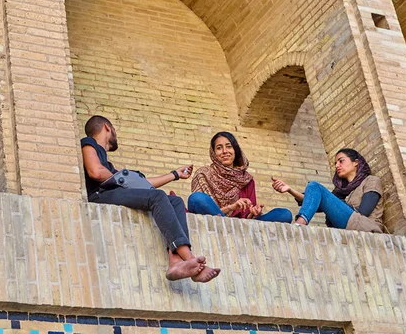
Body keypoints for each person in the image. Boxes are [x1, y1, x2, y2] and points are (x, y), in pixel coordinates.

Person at [81, 115, 220, 283]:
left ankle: (175, 262)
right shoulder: (89, 143)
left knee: (175, 201)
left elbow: (142, 185)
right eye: (114, 130)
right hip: (99, 196)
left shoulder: (108, 166)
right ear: (107, 128)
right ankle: (190, 259)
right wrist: (121, 180)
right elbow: (95, 172)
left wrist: (175, 175)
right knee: (158, 197)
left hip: (111, 193)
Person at [188, 132, 292, 223]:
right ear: (213, 153)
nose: (224, 151)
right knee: (196, 198)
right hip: (214, 220)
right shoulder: (204, 174)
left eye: (229, 146)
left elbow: (247, 219)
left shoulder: (246, 180)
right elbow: (200, 208)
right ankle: (226, 226)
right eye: (219, 148)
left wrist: (253, 212)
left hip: (241, 226)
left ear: (235, 150)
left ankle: (230, 229)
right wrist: (231, 207)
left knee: (284, 214)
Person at [271, 148, 383, 233]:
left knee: (314, 186)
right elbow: (313, 201)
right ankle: (300, 224)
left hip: (365, 226)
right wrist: (290, 190)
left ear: (356, 162)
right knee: (314, 188)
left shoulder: (371, 181)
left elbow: (364, 211)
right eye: (335, 163)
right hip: (347, 228)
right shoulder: (341, 191)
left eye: (341, 161)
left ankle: (299, 225)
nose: (337, 166)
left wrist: (337, 204)